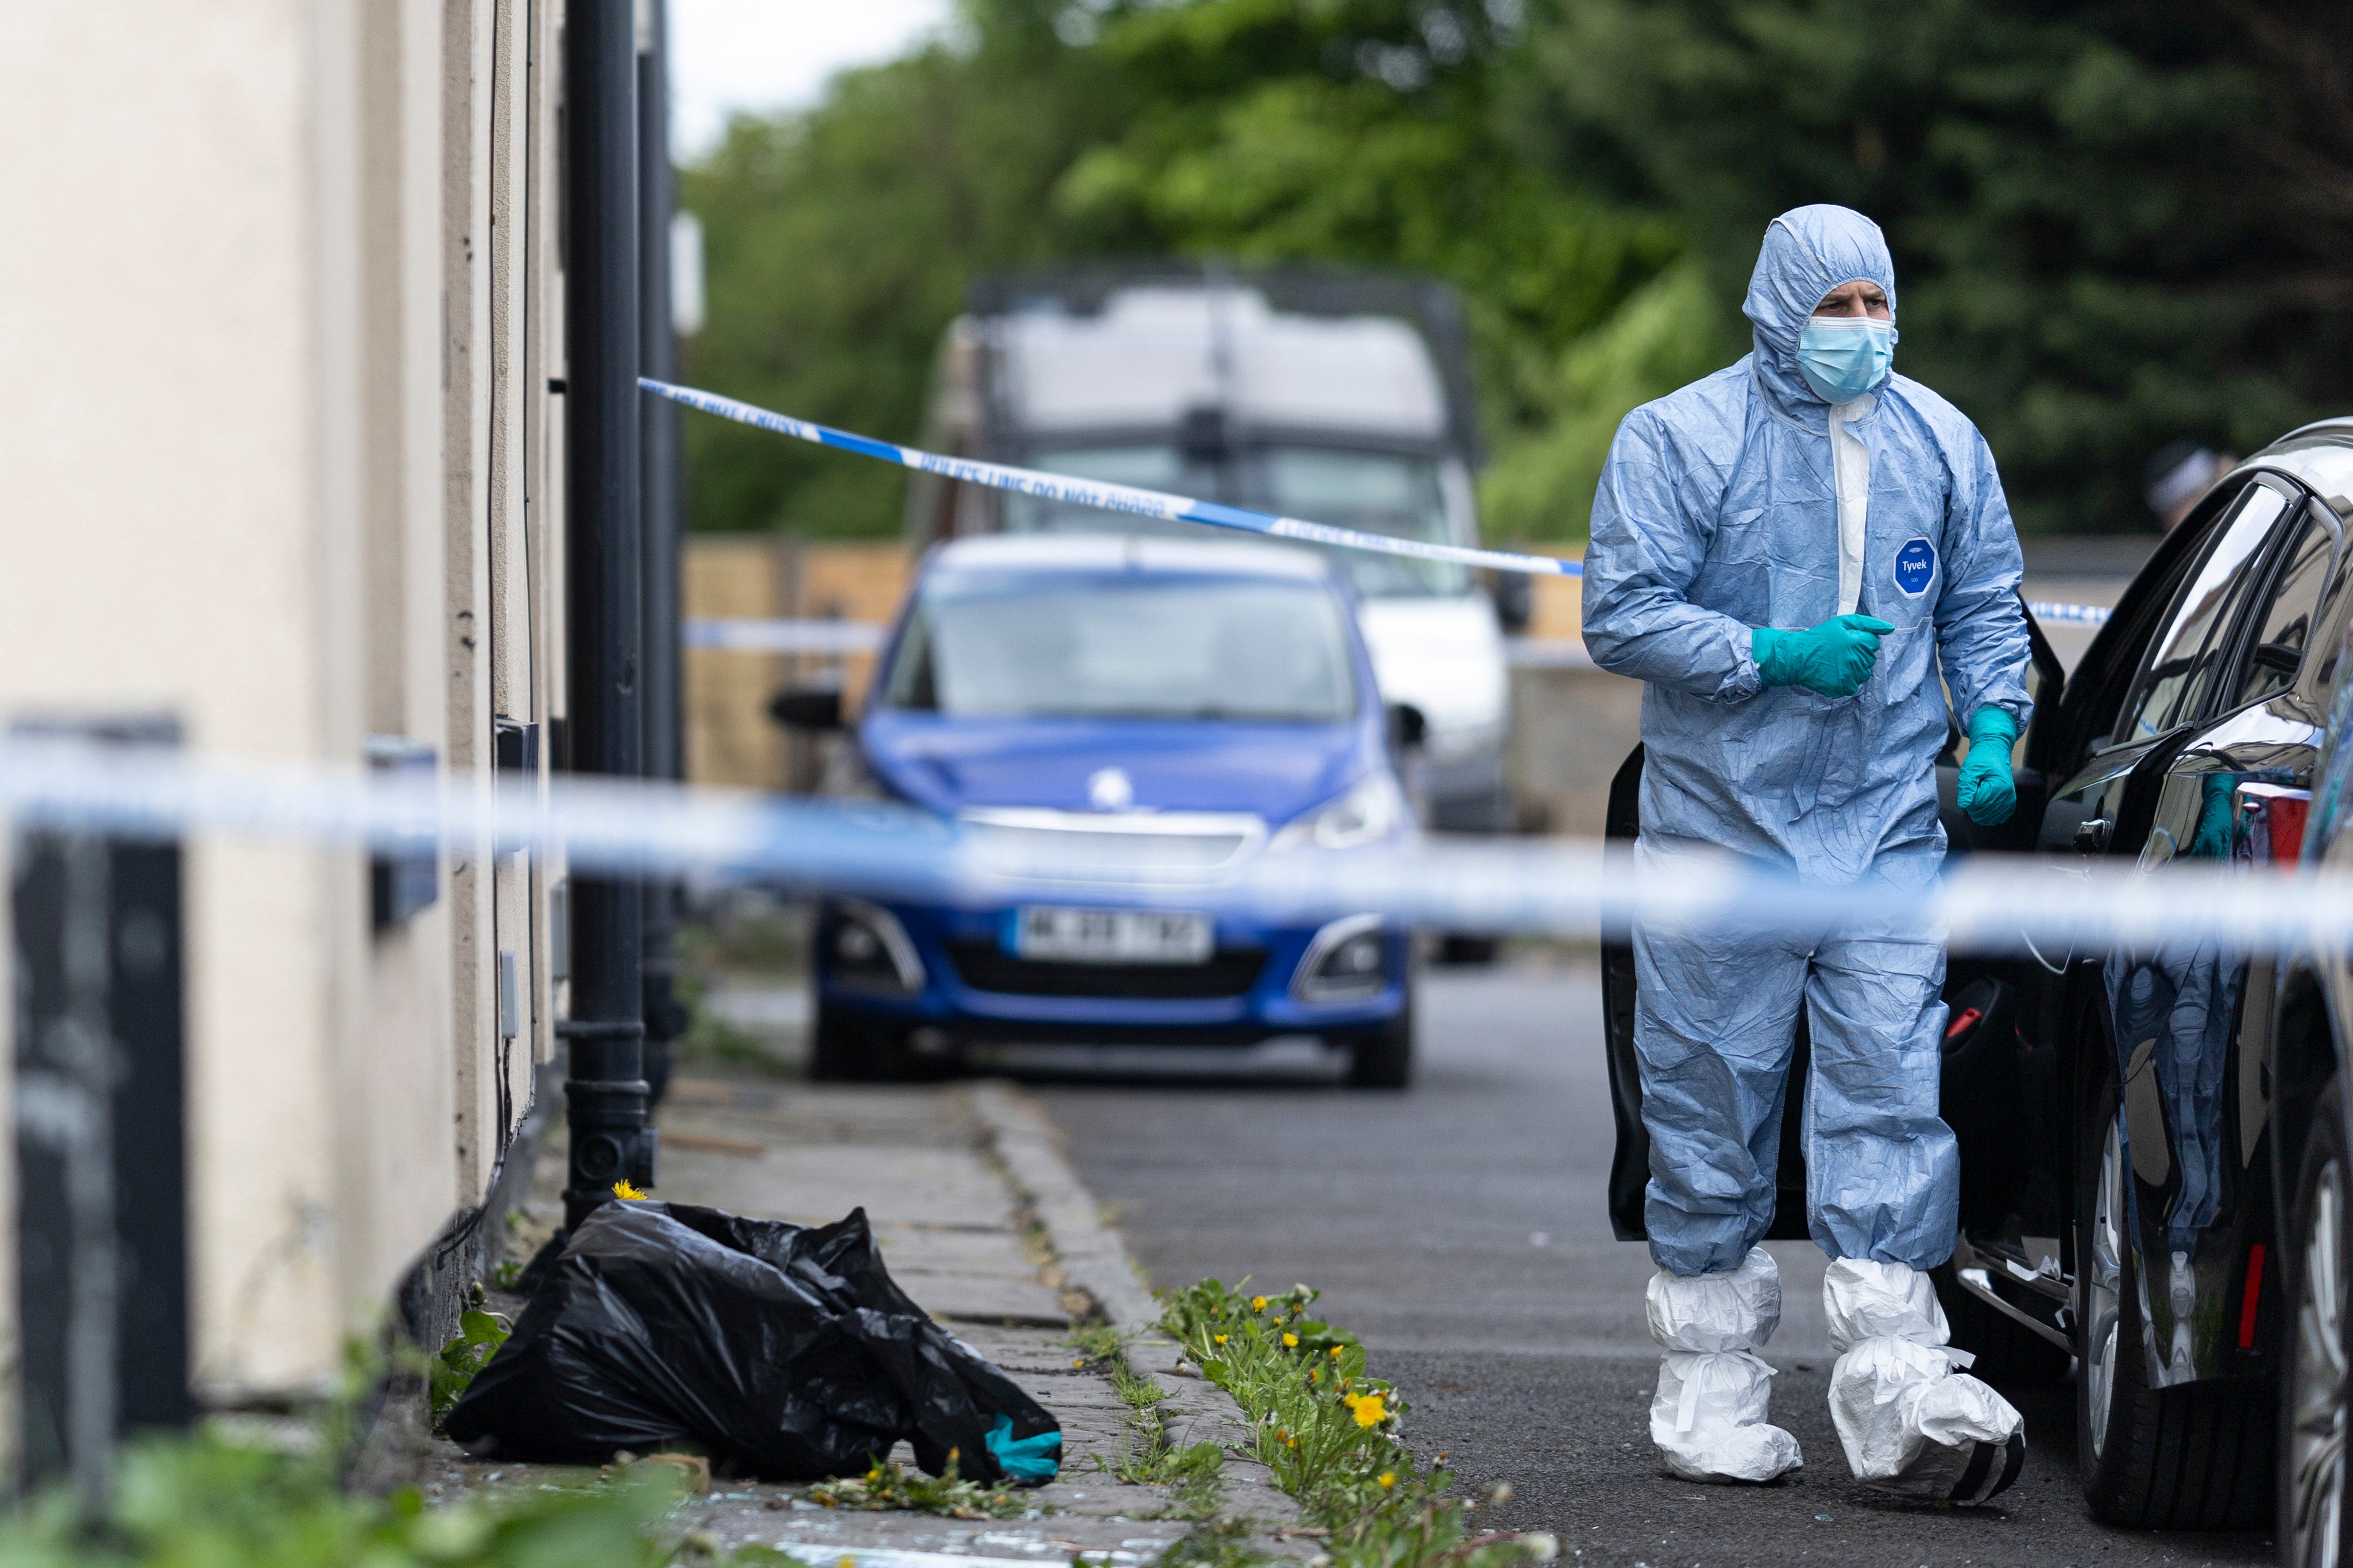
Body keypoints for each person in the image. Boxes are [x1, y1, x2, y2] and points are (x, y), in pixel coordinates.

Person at [1582, 205, 2031, 1502]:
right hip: (1723, 834)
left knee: (1892, 1091)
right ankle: (1710, 1383)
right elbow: (1621, 613)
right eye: (1835, 307)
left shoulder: (1941, 440)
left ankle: (1899, 1386)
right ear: (1776, 306)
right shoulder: (1678, 438)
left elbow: (1983, 602)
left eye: (1875, 303)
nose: (1861, 330)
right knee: (1712, 1102)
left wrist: (1994, 724)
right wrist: (1766, 655)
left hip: (1886, 832)